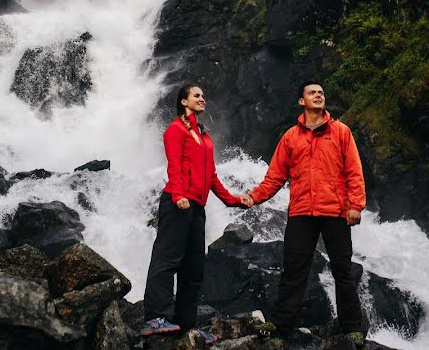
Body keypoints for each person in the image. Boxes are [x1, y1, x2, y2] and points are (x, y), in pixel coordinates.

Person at [240, 81, 367, 348]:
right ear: (301, 101)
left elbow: (354, 171)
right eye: (312, 92)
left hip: (335, 210)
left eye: (321, 92)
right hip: (301, 211)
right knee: (294, 270)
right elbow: (274, 177)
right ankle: (281, 324)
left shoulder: (341, 132)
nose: (319, 95)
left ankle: (352, 327)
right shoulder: (290, 137)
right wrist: (254, 197)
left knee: (342, 269)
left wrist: (355, 204)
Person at [141, 84, 245, 344]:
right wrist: (178, 195)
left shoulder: (204, 136)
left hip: (197, 208)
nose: (202, 98)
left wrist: (232, 201)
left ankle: (187, 325)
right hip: (177, 203)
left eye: (203, 95)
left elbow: (211, 177)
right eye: (196, 95)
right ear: (184, 102)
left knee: (193, 269)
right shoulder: (175, 130)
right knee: (167, 259)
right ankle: (155, 317)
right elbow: (174, 165)